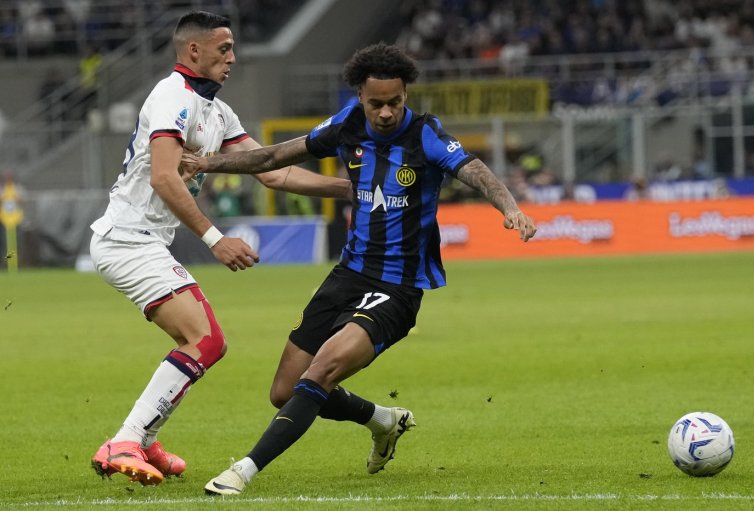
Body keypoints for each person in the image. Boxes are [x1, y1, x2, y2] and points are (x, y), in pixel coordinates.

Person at [181, 42, 537, 495]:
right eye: (376, 104)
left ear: (405, 96)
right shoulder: (347, 124)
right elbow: (271, 158)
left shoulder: (426, 134)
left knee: (322, 370)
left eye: (395, 102)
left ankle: (244, 471)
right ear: (360, 97)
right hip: (347, 275)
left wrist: (510, 208)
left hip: (398, 288)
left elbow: (476, 171)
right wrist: (207, 162)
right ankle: (382, 420)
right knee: (284, 391)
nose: (386, 113)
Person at [88, 11, 352, 486]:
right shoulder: (172, 96)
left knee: (206, 343)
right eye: (224, 49)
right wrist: (215, 238)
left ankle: (144, 438)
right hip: (128, 240)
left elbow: (272, 171)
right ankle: (127, 439)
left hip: (142, 242)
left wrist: (351, 190)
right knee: (205, 340)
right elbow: (164, 177)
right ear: (194, 50)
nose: (233, 58)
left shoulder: (217, 111)